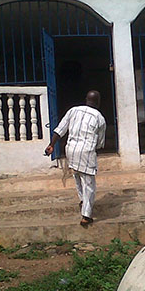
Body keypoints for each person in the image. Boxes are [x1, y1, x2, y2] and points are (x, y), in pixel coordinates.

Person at [45, 90, 106, 227]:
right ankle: (86, 215)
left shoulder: (73, 111)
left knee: (77, 176)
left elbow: (60, 129)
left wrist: (51, 145)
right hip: (87, 152)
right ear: (98, 102)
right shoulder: (99, 118)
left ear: (86, 99)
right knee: (89, 183)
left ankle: (82, 200)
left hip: (71, 150)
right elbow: (100, 143)